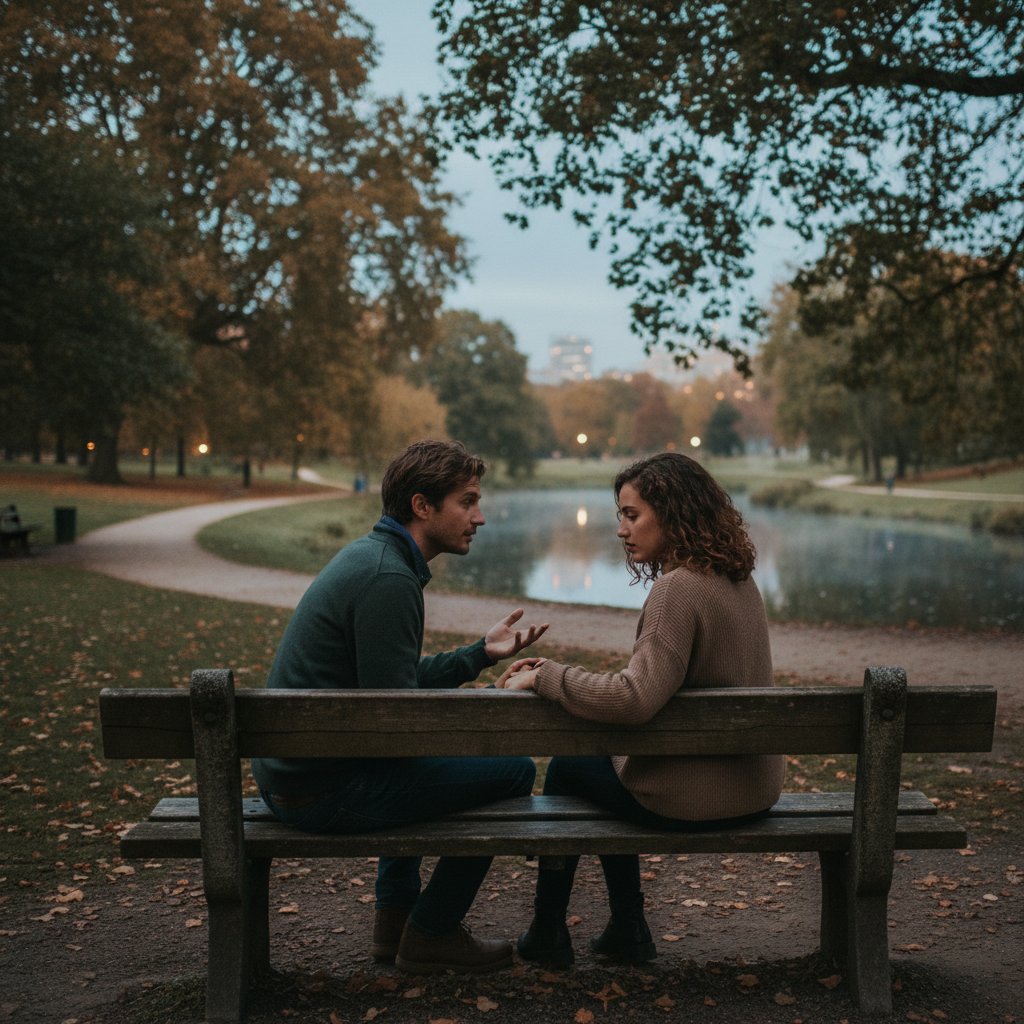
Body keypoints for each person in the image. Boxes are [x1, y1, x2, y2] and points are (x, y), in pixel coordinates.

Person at [253, 440, 549, 975]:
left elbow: (390, 690)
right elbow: (400, 726)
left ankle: (394, 921)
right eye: (467, 501)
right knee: (512, 771)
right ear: (421, 506)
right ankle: (431, 932)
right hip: (318, 791)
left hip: (296, 775)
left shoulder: (375, 557)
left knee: (435, 764)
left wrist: (478, 655)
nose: (479, 517)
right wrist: (492, 705)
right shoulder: (390, 578)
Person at [496, 452, 785, 968]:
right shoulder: (740, 580)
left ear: (673, 514)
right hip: (755, 788)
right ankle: (626, 927)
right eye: (619, 516)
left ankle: (551, 927)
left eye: (632, 515)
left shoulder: (676, 587)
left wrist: (547, 677)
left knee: (569, 769)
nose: (621, 530)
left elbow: (635, 698)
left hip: (697, 797)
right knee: (603, 768)